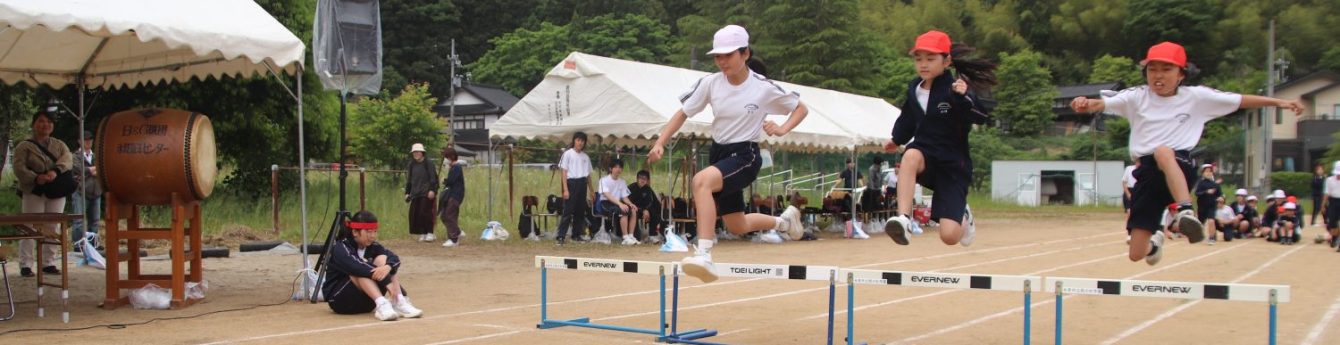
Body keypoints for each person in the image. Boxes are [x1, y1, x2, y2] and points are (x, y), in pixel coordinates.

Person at [1069, 41, 1305, 265]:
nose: (1158, 75)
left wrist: (1281, 103)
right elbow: (1101, 104)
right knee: (1136, 254)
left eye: (1166, 69)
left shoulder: (1197, 97)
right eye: (1152, 69)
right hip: (1147, 174)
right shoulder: (1136, 96)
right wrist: (1084, 103)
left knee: (1163, 152)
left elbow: (1241, 100)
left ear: (1181, 74)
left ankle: (1184, 210)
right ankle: (1155, 243)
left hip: (1180, 164)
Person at [647, 24, 806, 283]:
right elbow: (683, 113)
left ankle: (704, 253)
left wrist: (782, 128)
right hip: (720, 153)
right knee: (737, 225)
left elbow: (800, 108)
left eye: (728, 55)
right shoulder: (710, 83)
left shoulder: (762, 87)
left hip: (746, 155)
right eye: (717, 56)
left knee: (701, 181)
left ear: (745, 54)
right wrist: (660, 142)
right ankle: (784, 222)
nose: (722, 62)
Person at [883, 30, 996, 247]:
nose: (923, 64)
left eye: (930, 59)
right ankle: (904, 219)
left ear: (947, 61)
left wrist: (964, 97)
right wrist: (897, 139)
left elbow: (981, 117)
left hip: (953, 166)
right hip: (926, 155)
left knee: (949, 236)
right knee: (910, 155)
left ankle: (964, 216)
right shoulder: (913, 88)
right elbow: (907, 117)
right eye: (918, 59)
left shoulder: (956, 88)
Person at [322, 210, 423, 321]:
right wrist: (386, 281)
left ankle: (398, 301)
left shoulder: (373, 246)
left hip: (368, 302)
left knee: (383, 260)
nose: (373, 236)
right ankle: (382, 303)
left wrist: (388, 267)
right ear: (355, 232)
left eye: (375, 232)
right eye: (369, 232)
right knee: (359, 270)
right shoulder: (341, 247)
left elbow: (395, 259)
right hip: (341, 301)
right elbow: (356, 267)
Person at [12, 110, 73, 278]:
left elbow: (67, 159)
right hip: (34, 190)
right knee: (29, 225)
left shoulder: (59, 144)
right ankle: (26, 264)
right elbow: (19, 167)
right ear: (34, 124)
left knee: (53, 225)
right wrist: (35, 178)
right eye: (41, 121)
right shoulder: (24, 146)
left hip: (55, 189)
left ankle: (48, 262)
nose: (45, 124)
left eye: (48, 121)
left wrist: (55, 171)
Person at [555, 132, 593, 245]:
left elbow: (588, 175)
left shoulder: (586, 156)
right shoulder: (567, 154)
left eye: (582, 141)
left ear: (584, 143)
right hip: (571, 183)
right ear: (574, 141)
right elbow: (564, 172)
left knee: (580, 211)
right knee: (567, 211)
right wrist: (565, 189)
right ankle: (561, 236)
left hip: (582, 183)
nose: (580, 142)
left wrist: (591, 190)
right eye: (578, 140)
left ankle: (576, 235)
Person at [70, 130, 102, 251]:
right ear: (79, 141)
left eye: (90, 139)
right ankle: (79, 245)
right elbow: (78, 169)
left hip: (96, 191)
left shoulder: (96, 156)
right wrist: (91, 170)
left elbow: (100, 169)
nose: (88, 142)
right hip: (80, 191)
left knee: (94, 220)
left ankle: (93, 245)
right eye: (85, 139)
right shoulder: (74, 156)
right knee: (78, 220)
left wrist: (88, 170)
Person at [598, 158, 639, 245]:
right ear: (611, 169)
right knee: (623, 210)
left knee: (633, 210)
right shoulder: (603, 180)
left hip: (617, 203)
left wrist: (631, 204)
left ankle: (631, 235)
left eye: (620, 167)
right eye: (616, 167)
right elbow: (607, 195)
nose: (618, 169)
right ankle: (625, 237)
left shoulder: (622, 182)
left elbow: (624, 197)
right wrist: (620, 204)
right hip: (606, 203)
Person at [404, 143, 439, 242]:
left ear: (422, 152)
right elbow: (409, 180)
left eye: (418, 152)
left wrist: (432, 190)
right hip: (415, 192)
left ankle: (430, 233)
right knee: (416, 214)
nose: (416, 154)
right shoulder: (412, 164)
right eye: (414, 152)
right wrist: (407, 192)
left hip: (426, 192)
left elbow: (433, 178)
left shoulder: (428, 163)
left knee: (426, 213)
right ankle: (423, 232)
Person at [438, 147, 465, 247]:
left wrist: (444, 180)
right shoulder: (453, 167)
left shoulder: (457, 167)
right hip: (450, 195)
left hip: (455, 196)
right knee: (444, 215)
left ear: (451, 157)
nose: (445, 159)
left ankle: (453, 239)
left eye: (446, 157)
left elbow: (451, 181)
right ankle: (457, 232)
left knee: (449, 215)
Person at [628, 170, 664, 244]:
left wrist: (646, 210)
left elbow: (651, 201)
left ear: (647, 180)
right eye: (640, 178)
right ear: (637, 178)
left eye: (645, 179)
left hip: (645, 209)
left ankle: (652, 235)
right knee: (634, 213)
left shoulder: (648, 189)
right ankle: (635, 237)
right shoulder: (631, 187)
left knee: (654, 212)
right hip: (634, 209)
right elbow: (628, 201)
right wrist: (642, 210)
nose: (642, 180)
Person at [1193, 164, 1221, 240]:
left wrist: (1220, 198)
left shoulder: (1215, 184)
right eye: (1206, 171)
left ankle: (1211, 237)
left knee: (1211, 221)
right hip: (1202, 206)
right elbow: (1197, 193)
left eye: (1210, 171)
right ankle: (1199, 236)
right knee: (1200, 223)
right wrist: (1206, 192)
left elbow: (1219, 194)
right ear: (1203, 173)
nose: (1208, 173)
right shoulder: (1200, 183)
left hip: (1212, 206)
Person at [1323, 161, 1340, 251]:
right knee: (1333, 222)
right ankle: (1335, 237)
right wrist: (1323, 205)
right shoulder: (1329, 180)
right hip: (1333, 201)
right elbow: (1327, 193)